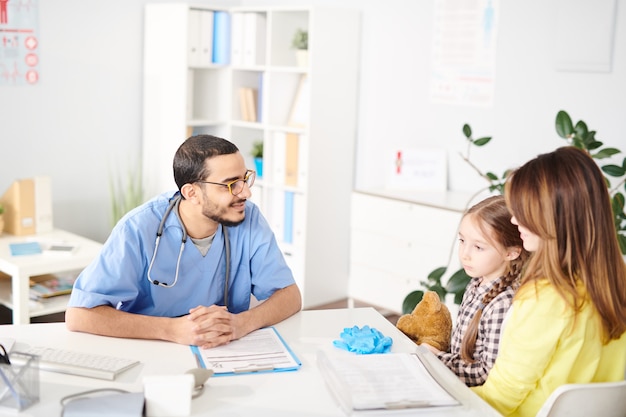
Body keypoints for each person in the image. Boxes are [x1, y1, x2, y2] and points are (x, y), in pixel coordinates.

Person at [65, 134, 302, 349]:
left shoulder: (248, 218)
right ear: (192, 193)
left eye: (245, 179)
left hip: (222, 349)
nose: (245, 193)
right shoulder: (138, 228)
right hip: (152, 348)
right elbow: (79, 315)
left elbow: (290, 295)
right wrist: (172, 330)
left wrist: (241, 323)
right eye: (231, 185)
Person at [472, 146, 626, 417]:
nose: (514, 219)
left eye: (524, 211)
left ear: (554, 219)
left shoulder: (545, 297)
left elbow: (499, 399)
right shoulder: (617, 283)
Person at [422, 195, 528, 387]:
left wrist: (437, 358)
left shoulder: (502, 305)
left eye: (478, 247)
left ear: (511, 252)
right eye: (462, 241)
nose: (465, 254)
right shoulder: (476, 283)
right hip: (452, 379)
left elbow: (485, 373)